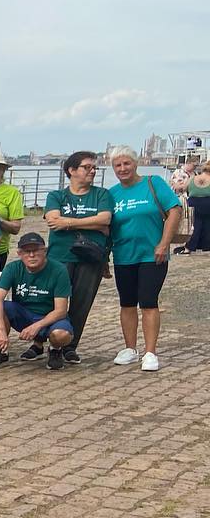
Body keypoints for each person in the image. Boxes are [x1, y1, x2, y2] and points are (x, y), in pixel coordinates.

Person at [106, 144, 182, 371]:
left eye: (126, 163)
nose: (122, 168)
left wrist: (164, 243)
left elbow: (174, 211)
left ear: (135, 164)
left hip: (152, 254)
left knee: (148, 302)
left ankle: (150, 352)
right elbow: (107, 226)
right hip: (123, 255)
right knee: (127, 303)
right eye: (117, 165)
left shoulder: (153, 183)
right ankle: (130, 348)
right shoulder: (112, 194)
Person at [44, 150, 113, 364]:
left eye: (94, 168)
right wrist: (92, 223)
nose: (92, 171)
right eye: (87, 167)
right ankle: (53, 342)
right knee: (57, 301)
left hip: (91, 257)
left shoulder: (102, 194)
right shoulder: (56, 196)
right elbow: (53, 219)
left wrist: (69, 222)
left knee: (82, 303)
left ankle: (70, 346)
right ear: (71, 170)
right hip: (60, 255)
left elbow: (105, 219)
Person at [0, 232, 74, 371]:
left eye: (36, 250)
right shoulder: (13, 268)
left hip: (50, 317)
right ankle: (2, 350)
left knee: (61, 335)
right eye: (27, 251)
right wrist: (0, 330)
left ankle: (55, 349)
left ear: (45, 251)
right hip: (24, 314)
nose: (31, 255)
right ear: (19, 253)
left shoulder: (59, 270)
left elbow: (61, 310)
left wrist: (36, 326)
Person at [181, 160, 210, 254]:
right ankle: (206, 246)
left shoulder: (193, 178)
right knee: (207, 225)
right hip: (207, 202)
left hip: (193, 202)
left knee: (195, 225)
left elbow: (184, 188)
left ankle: (190, 246)